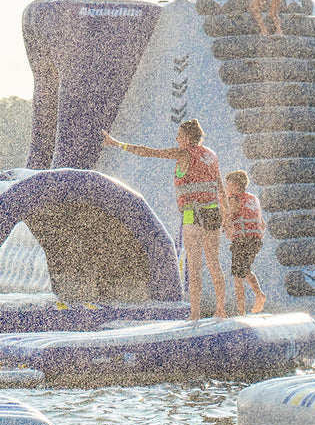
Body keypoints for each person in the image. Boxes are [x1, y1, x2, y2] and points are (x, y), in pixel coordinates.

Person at [102, 120, 228, 321]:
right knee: (214, 264)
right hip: (213, 212)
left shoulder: (183, 153)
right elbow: (220, 186)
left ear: (187, 138)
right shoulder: (211, 155)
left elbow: (148, 152)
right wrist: (227, 217)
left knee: (194, 267)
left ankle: (194, 314)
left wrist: (118, 144)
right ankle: (221, 310)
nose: (176, 139)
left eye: (179, 135)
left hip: (192, 214)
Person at [222, 170, 268, 315]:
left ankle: (241, 312)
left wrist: (225, 224)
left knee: (238, 276)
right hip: (255, 240)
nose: (226, 187)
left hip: (242, 240)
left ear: (235, 185)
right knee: (244, 269)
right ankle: (259, 294)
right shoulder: (253, 199)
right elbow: (263, 224)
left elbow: (228, 216)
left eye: (227, 184)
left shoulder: (234, 199)